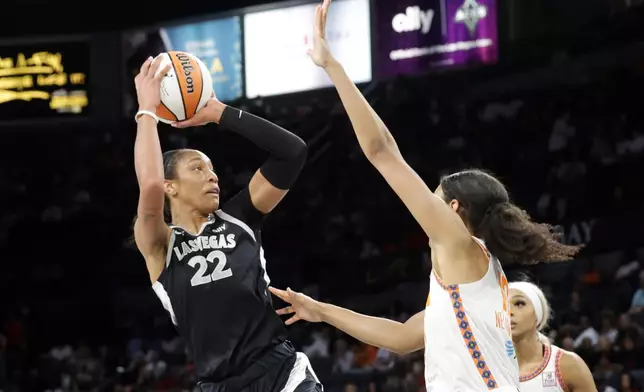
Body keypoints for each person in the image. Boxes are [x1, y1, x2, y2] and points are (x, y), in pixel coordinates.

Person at [270, 1, 580, 390]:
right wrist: (321, 311)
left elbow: (381, 150)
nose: (424, 206)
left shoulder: (458, 244)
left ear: (453, 208)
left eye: (434, 196)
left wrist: (332, 65)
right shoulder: (466, 278)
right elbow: (402, 339)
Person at [132, 56, 321, 392]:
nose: (212, 176)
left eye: (212, 169)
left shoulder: (240, 217)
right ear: (169, 185)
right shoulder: (160, 244)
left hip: (281, 374)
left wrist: (218, 112)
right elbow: (149, 185)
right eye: (197, 169)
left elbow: (292, 152)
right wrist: (146, 112)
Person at [509, 281, 596, 391]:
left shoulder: (568, 365)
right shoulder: (489, 367)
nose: (509, 311)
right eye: (503, 305)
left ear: (537, 314)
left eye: (519, 304)